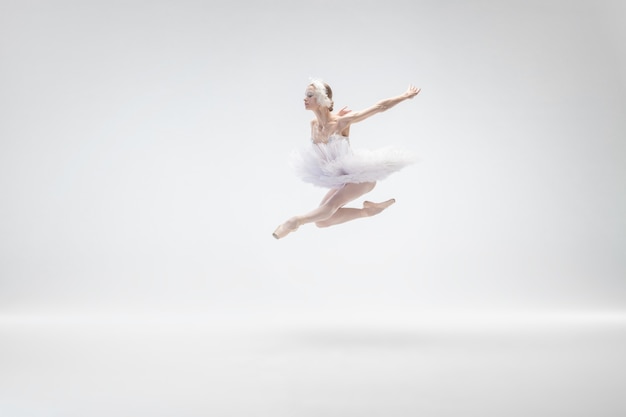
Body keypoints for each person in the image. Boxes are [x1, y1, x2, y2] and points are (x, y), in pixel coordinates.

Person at [273, 79, 420, 239]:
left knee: (330, 207)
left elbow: (379, 107)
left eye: (310, 95)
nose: (305, 98)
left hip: (362, 177)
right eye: (305, 95)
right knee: (322, 222)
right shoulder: (314, 124)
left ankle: (295, 221)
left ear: (322, 99)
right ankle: (367, 211)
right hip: (343, 179)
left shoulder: (341, 122)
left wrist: (405, 96)